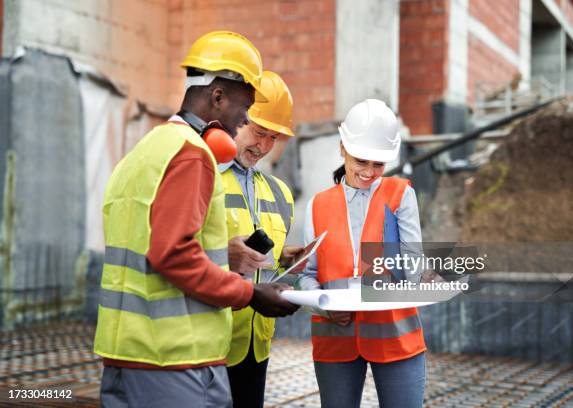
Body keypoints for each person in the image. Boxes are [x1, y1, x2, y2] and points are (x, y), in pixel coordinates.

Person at [93, 31, 299, 408]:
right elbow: (172, 255)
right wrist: (251, 293)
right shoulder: (192, 154)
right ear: (217, 97)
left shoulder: (144, 152)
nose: (240, 126)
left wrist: (225, 254)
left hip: (126, 353)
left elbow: (146, 245)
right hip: (175, 359)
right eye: (243, 113)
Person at [298, 99, 427, 408]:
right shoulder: (317, 205)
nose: (369, 172)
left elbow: (414, 270)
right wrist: (324, 306)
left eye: (378, 164)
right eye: (361, 161)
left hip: (396, 337)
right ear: (343, 148)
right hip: (335, 338)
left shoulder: (400, 195)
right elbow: (307, 276)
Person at [220, 70, 305, 408]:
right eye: (258, 132)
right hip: (210, 344)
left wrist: (284, 257)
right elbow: (178, 252)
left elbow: (258, 254)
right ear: (238, 118)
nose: (264, 146)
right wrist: (222, 255)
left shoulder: (280, 193)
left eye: (273, 137)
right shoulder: (204, 175)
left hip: (257, 343)